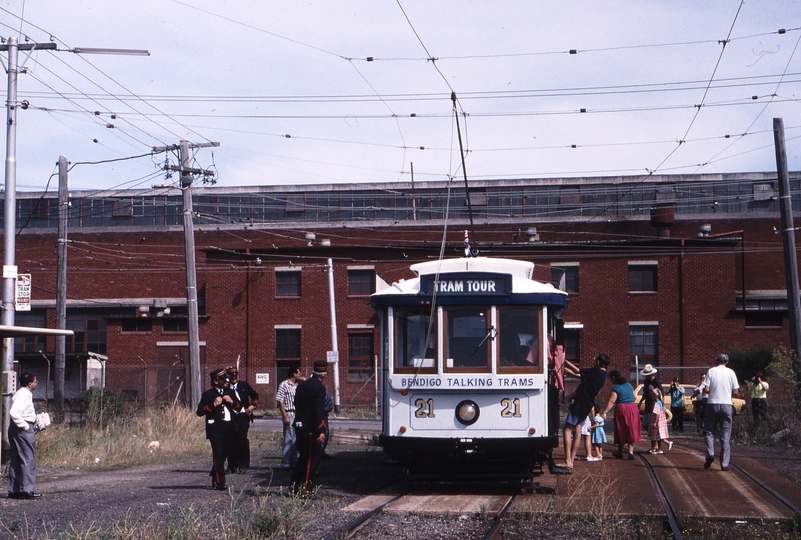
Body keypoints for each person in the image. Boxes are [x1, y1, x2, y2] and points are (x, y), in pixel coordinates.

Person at [558, 353, 610, 470]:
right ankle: (571, 461)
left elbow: (578, 370)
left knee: (567, 429)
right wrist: (568, 371)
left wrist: (565, 361)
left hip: (580, 402)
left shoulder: (596, 371)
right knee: (577, 430)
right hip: (588, 404)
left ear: (598, 362)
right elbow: (580, 376)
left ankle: (568, 461)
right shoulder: (602, 375)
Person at [196, 367, 239, 490]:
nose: (227, 380)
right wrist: (213, 405)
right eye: (223, 378)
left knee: (225, 453)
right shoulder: (208, 395)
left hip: (229, 428)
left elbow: (239, 406)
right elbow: (199, 412)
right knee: (218, 454)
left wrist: (231, 402)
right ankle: (221, 482)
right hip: (215, 429)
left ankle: (215, 474)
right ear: (216, 381)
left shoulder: (229, 392)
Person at [290, 360, 329, 495]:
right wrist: (321, 430)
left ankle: (293, 486)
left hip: (299, 424)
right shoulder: (319, 388)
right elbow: (319, 411)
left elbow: (296, 403)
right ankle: (306, 489)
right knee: (312, 459)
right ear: (324, 374)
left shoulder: (302, 385)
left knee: (303, 457)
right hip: (310, 428)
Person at [701, 353, 740, 471]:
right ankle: (724, 464)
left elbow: (706, 389)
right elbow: (736, 392)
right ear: (726, 362)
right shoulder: (731, 372)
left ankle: (710, 454)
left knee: (709, 431)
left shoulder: (711, 371)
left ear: (716, 361)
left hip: (712, 404)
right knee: (725, 434)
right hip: (727, 405)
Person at [8, 372, 41, 499]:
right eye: (35, 381)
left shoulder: (20, 393)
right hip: (22, 428)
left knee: (16, 458)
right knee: (28, 458)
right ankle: (27, 489)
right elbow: (14, 412)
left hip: (16, 427)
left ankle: (14, 489)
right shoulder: (24, 394)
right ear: (30, 383)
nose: (36, 383)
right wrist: (26, 426)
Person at [225, 366, 259, 473]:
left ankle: (243, 464)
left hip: (243, 417)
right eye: (231, 376)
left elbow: (255, 396)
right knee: (231, 441)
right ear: (228, 377)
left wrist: (253, 406)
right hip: (231, 418)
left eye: (235, 376)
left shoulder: (244, 385)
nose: (234, 378)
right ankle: (232, 466)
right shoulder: (225, 388)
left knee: (241, 439)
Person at [601, 370, 641, 460]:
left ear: (614, 378)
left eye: (610, 379)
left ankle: (620, 452)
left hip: (622, 408)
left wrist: (605, 412)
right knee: (632, 429)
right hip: (633, 408)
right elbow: (634, 397)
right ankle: (630, 452)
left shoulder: (616, 388)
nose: (611, 381)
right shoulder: (629, 385)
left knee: (621, 429)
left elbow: (612, 401)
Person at [276, 367, 303, 469]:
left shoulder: (299, 385)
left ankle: (294, 461)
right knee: (289, 438)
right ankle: (286, 461)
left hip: (297, 414)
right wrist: (285, 416)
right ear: (293, 373)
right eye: (298, 372)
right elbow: (280, 401)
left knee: (296, 439)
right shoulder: (284, 385)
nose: (300, 374)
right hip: (289, 413)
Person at [638, 364, 662, 433]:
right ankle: (651, 433)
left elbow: (661, 393)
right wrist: (640, 402)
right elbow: (645, 393)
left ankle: (655, 436)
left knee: (654, 422)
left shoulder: (656, 382)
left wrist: (661, 404)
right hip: (647, 404)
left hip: (654, 405)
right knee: (645, 424)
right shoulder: (646, 381)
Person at [648, 388, 673, 454]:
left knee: (656, 436)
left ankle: (666, 443)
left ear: (655, 396)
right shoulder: (660, 402)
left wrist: (654, 422)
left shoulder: (656, 404)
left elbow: (657, 414)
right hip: (661, 422)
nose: (651, 396)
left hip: (657, 422)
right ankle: (659, 449)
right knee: (659, 436)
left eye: (652, 395)